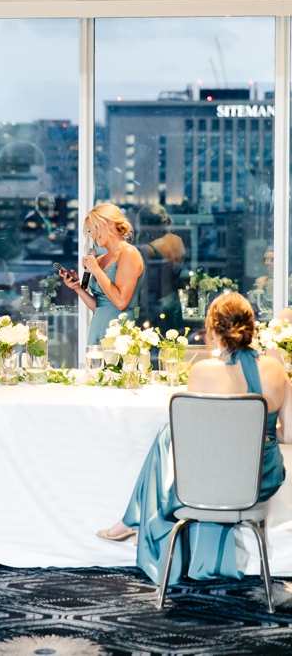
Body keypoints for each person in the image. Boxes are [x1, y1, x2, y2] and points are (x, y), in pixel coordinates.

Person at [97, 293, 289, 584]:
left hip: (213, 480)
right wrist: (259, 429)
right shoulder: (276, 367)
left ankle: (135, 519)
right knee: (170, 433)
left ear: (212, 329)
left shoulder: (203, 371)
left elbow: (199, 437)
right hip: (260, 477)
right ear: (252, 325)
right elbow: (289, 433)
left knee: (168, 433)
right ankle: (131, 520)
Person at [59, 204, 144, 345]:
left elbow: (121, 303)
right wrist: (78, 288)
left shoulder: (128, 253)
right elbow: (100, 307)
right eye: (89, 230)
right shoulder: (100, 259)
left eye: (94, 228)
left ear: (110, 225)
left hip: (119, 334)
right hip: (98, 329)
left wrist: (96, 271)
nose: (92, 234)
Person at [135, 204, 185, 332]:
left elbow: (145, 285)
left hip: (156, 306)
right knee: (174, 346)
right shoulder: (178, 240)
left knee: (154, 346)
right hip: (174, 302)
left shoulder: (148, 249)